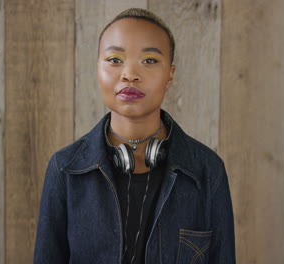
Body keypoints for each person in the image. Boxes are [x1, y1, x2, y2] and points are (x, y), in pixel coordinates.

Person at [34, 8, 236, 264]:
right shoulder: (64, 169)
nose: (130, 74)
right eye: (115, 59)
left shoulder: (208, 171)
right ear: (97, 68)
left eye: (149, 60)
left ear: (170, 74)